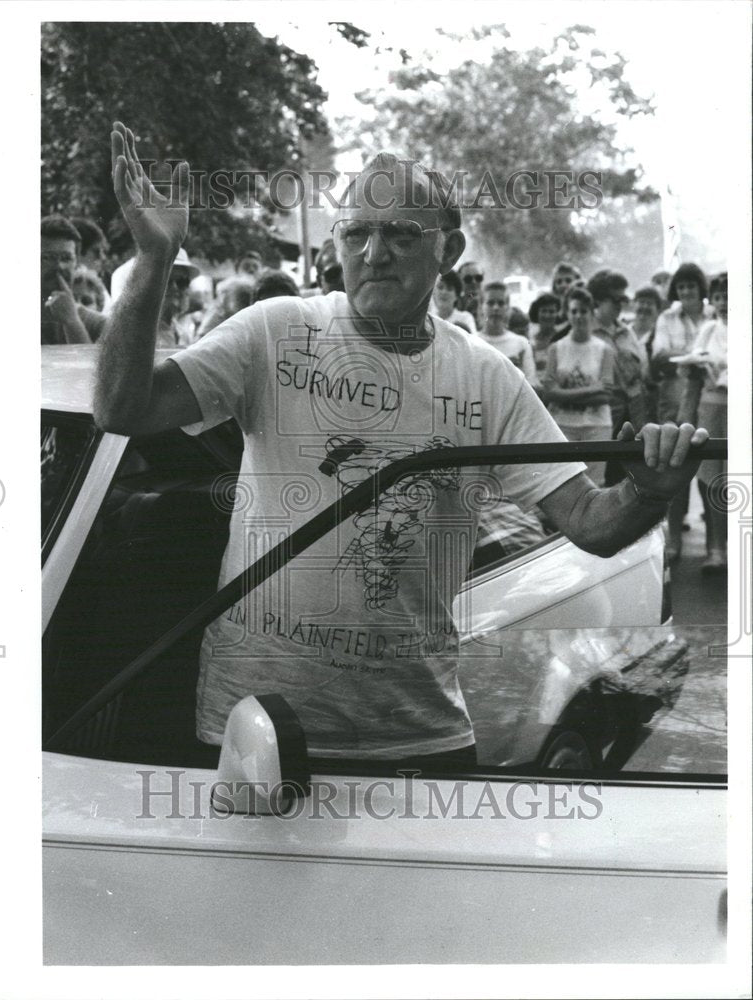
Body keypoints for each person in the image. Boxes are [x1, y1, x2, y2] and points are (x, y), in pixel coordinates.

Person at [95, 121, 707, 764]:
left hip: (416, 735)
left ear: (450, 249)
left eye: (400, 233)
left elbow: (590, 522)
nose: (373, 252)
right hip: (257, 733)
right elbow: (120, 406)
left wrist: (648, 489)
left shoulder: (485, 375)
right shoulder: (275, 333)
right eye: (356, 232)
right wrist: (154, 259)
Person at [650, 262, 714, 557]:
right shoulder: (667, 317)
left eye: (691, 285)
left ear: (702, 288)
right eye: (681, 286)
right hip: (674, 398)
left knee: (708, 470)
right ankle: (673, 540)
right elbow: (659, 354)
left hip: (708, 400)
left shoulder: (714, 314)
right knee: (675, 467)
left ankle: (715, 545)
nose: (686, 291)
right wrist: (693, 356)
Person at [677, 273, 728, 574]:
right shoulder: (709, 329)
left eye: (729, 296)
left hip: (741, 409)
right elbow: (690, 369)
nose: (723, 303)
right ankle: (715, 549)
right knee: (711, 478)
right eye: (719, 297)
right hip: (710, 407)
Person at [542, 287, 615, 485]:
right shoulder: (556, 348)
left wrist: (562, 393)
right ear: (567, 313)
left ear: (592, 313)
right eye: (574, 311)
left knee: (594, 484)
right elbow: (549, 394)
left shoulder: (604, 350)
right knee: (563, 482)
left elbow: (605, 396)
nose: (578, 316)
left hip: (596, 426)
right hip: (563, 425)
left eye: (583, 311)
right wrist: (592, 389)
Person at [587, 269, 647, 487]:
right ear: (599, 300)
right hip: (602, 419)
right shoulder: (586, 333)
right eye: (616, 300)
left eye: (624, 299)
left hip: (633, 418)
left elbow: (642, 368)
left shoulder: (626, 332)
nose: (621, 304)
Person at [41, 215, 104, 344]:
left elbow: (89, 364)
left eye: (66, 258)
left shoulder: (97, 325)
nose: (58, 266)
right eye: (47, 258)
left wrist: (72, 321)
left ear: (76, 263)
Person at [478, 282, 538, 385]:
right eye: (490, 303)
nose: (496, 308)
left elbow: (530, 383)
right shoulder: (472, 341)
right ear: (481, 307)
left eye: (501, 303)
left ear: (507, 307)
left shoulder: (521, 343)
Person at [631, 286, 664, 423]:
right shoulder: (623, 333)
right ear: (634, 305)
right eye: (641, 302)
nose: (644, 307)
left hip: (651, 398)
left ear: (657, 310)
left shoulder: (661, 336)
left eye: (649, 303)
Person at [528, 292, 562, 381]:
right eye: (543, 311)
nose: (547, 315)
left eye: (551, 312)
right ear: (537, 313)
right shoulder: (530, 340)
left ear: (557, 313)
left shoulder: (563, 338)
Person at [457, 260, 486, 330]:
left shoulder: (494, 303)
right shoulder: (454, 306)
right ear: (460, 281)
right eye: (468, 279)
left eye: (478, 278)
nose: (474, 282)